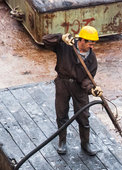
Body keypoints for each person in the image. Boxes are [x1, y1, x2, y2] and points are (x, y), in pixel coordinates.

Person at [43, 26, 104, 156]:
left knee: (83, 115)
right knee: (61, 113)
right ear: (80, 40)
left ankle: (85, 144)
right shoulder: (65, 46)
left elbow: (87, 79)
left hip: (79, 88)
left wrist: (92, 90)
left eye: (93, 43)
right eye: (89, 43)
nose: (91, 46)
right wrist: (60, 37)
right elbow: (45, 40)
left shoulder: (91, 59)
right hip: (62, 83)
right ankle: (62, 142)